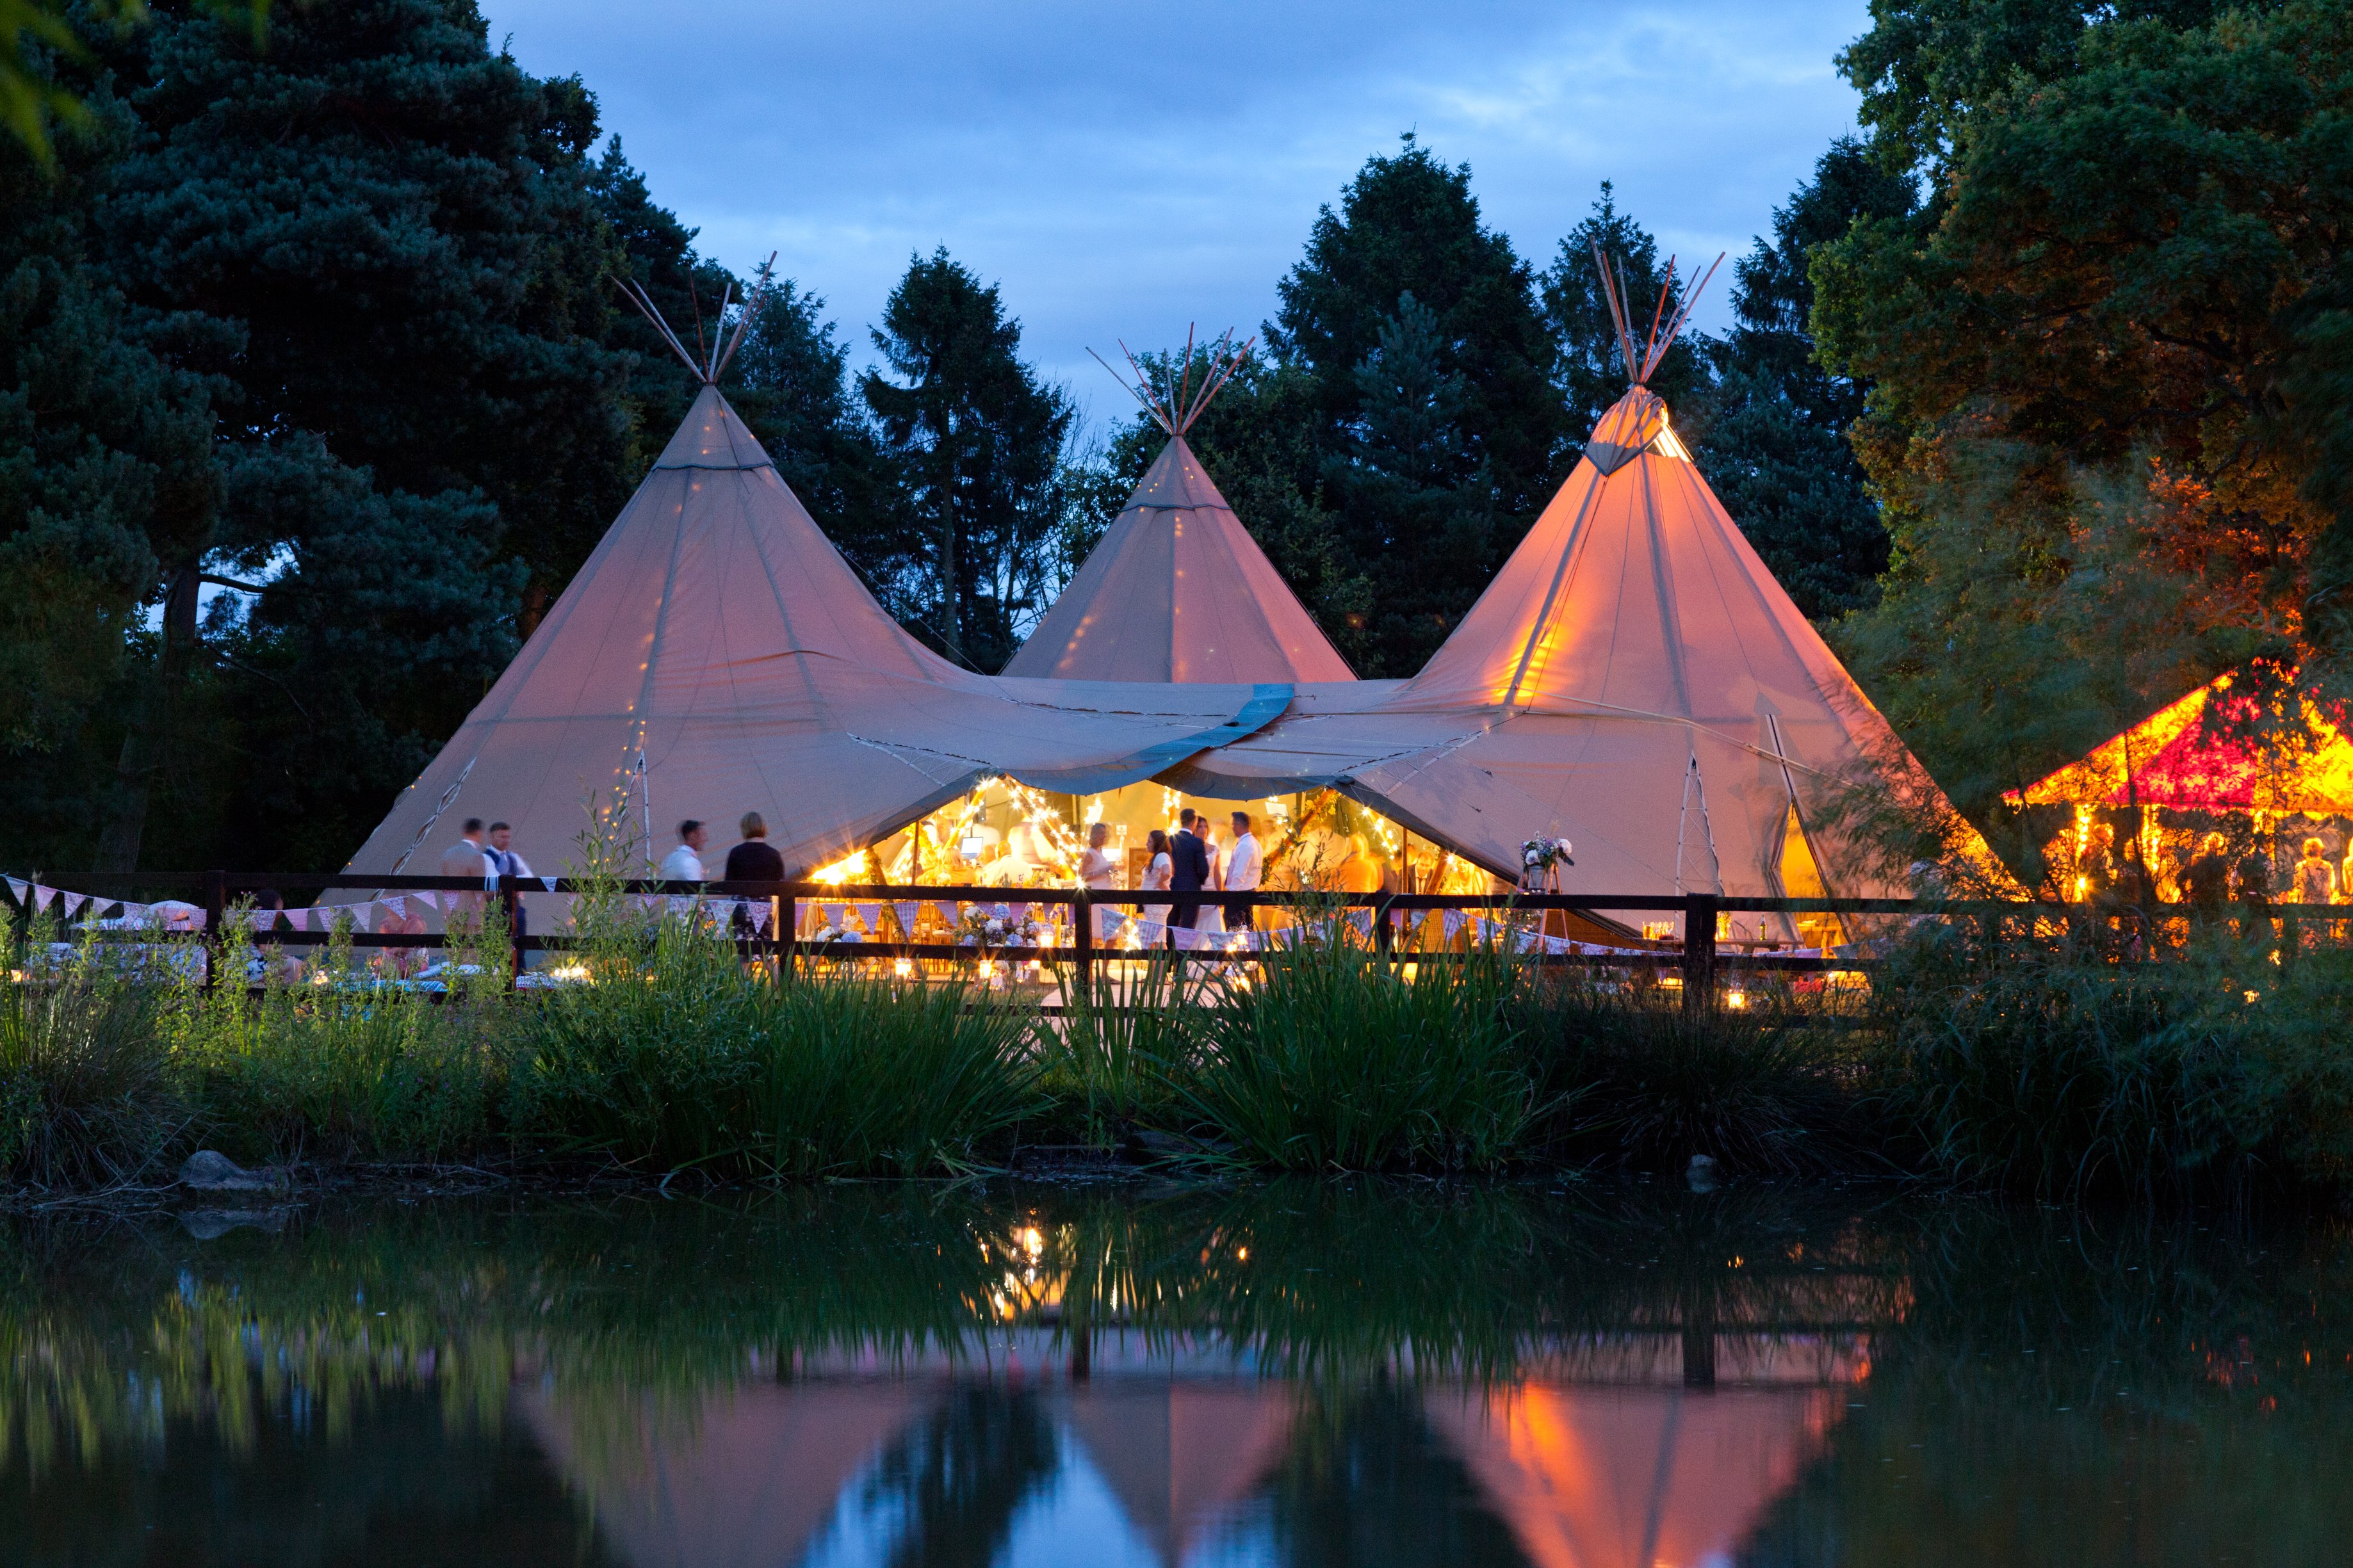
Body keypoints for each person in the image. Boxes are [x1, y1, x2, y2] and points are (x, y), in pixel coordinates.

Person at [439, 818, 489, 931]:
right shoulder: (476, 856)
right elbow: (480, 887)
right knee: (471, 947)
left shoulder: (448, 854)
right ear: (479, 833)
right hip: (471, 913)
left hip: (450, 911)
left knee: (453, 947)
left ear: (464, 832)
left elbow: (444, 883)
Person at [1168, 808, 1212, 931]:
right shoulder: (1196, 843)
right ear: (1194, 822)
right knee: (1187, 928)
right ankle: (1184, 950)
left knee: (1171, 925)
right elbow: (1204, 869)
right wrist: (1198, 881)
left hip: (1172, 889)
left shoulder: (1170, 840)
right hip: (1191, 891)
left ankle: (1171, 949)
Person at [1077, 820, 1120, 940]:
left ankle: (1106, 959)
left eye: (1105, 833)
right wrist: (1103, 871)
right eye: (1101, 833)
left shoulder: (1100, 853)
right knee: (1096, 933)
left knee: (1112, 934)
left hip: (1106, 894)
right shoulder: (1089, 854)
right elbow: (1082, 876)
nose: (1104, 836)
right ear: (1095, 835)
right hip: (1096, 895)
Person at [1224, 810, 1263, 931]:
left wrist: (1232, 894)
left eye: (1233, 825)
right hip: (1249, 892)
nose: (1232, 828)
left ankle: (1235, 950)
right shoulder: (1255, 843)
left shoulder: (1245, 845)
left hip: (1239, 895)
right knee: (1246, 928)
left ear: (1238, 825)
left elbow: (1239, 873)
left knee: (1234, 929)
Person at [2182, 831, 2233, 921]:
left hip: (2207, 905)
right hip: (2207, 905)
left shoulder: (2220, 865)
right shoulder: (2201, 862)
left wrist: (2186, 895)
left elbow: (2180, 879)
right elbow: (2180, 878)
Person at [724, 811, 785, 882]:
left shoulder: (735, 853)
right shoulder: (774, 854)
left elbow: (728, 886)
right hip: (767, 893)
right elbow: (781, 886)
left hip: (743, 893)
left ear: (744, 829)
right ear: (763, 827)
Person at [1139, 829, 1174, 935]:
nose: (1146, 844)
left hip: (1157, 904)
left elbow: (1167, 872)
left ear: (1157, 843)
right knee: (1154, 937)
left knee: (1156, 937)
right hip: (1152, 902)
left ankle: (1161, 952)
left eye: (1149, 841)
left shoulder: (1161, 856)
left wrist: (1160, 883)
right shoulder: (1157, 857)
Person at [660, 820, 707, 884]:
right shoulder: (691, 861)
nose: (706, 839)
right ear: (692, 836)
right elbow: (696, 891)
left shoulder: (668, 858)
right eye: (703, 835)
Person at [2295, 836, 2336, 904]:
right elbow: (2331, 886)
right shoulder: (2327, 866)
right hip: (2323, 904)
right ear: (2320, 850)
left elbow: (2298, 886)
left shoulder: (2300, 866)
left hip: (2306, 904)